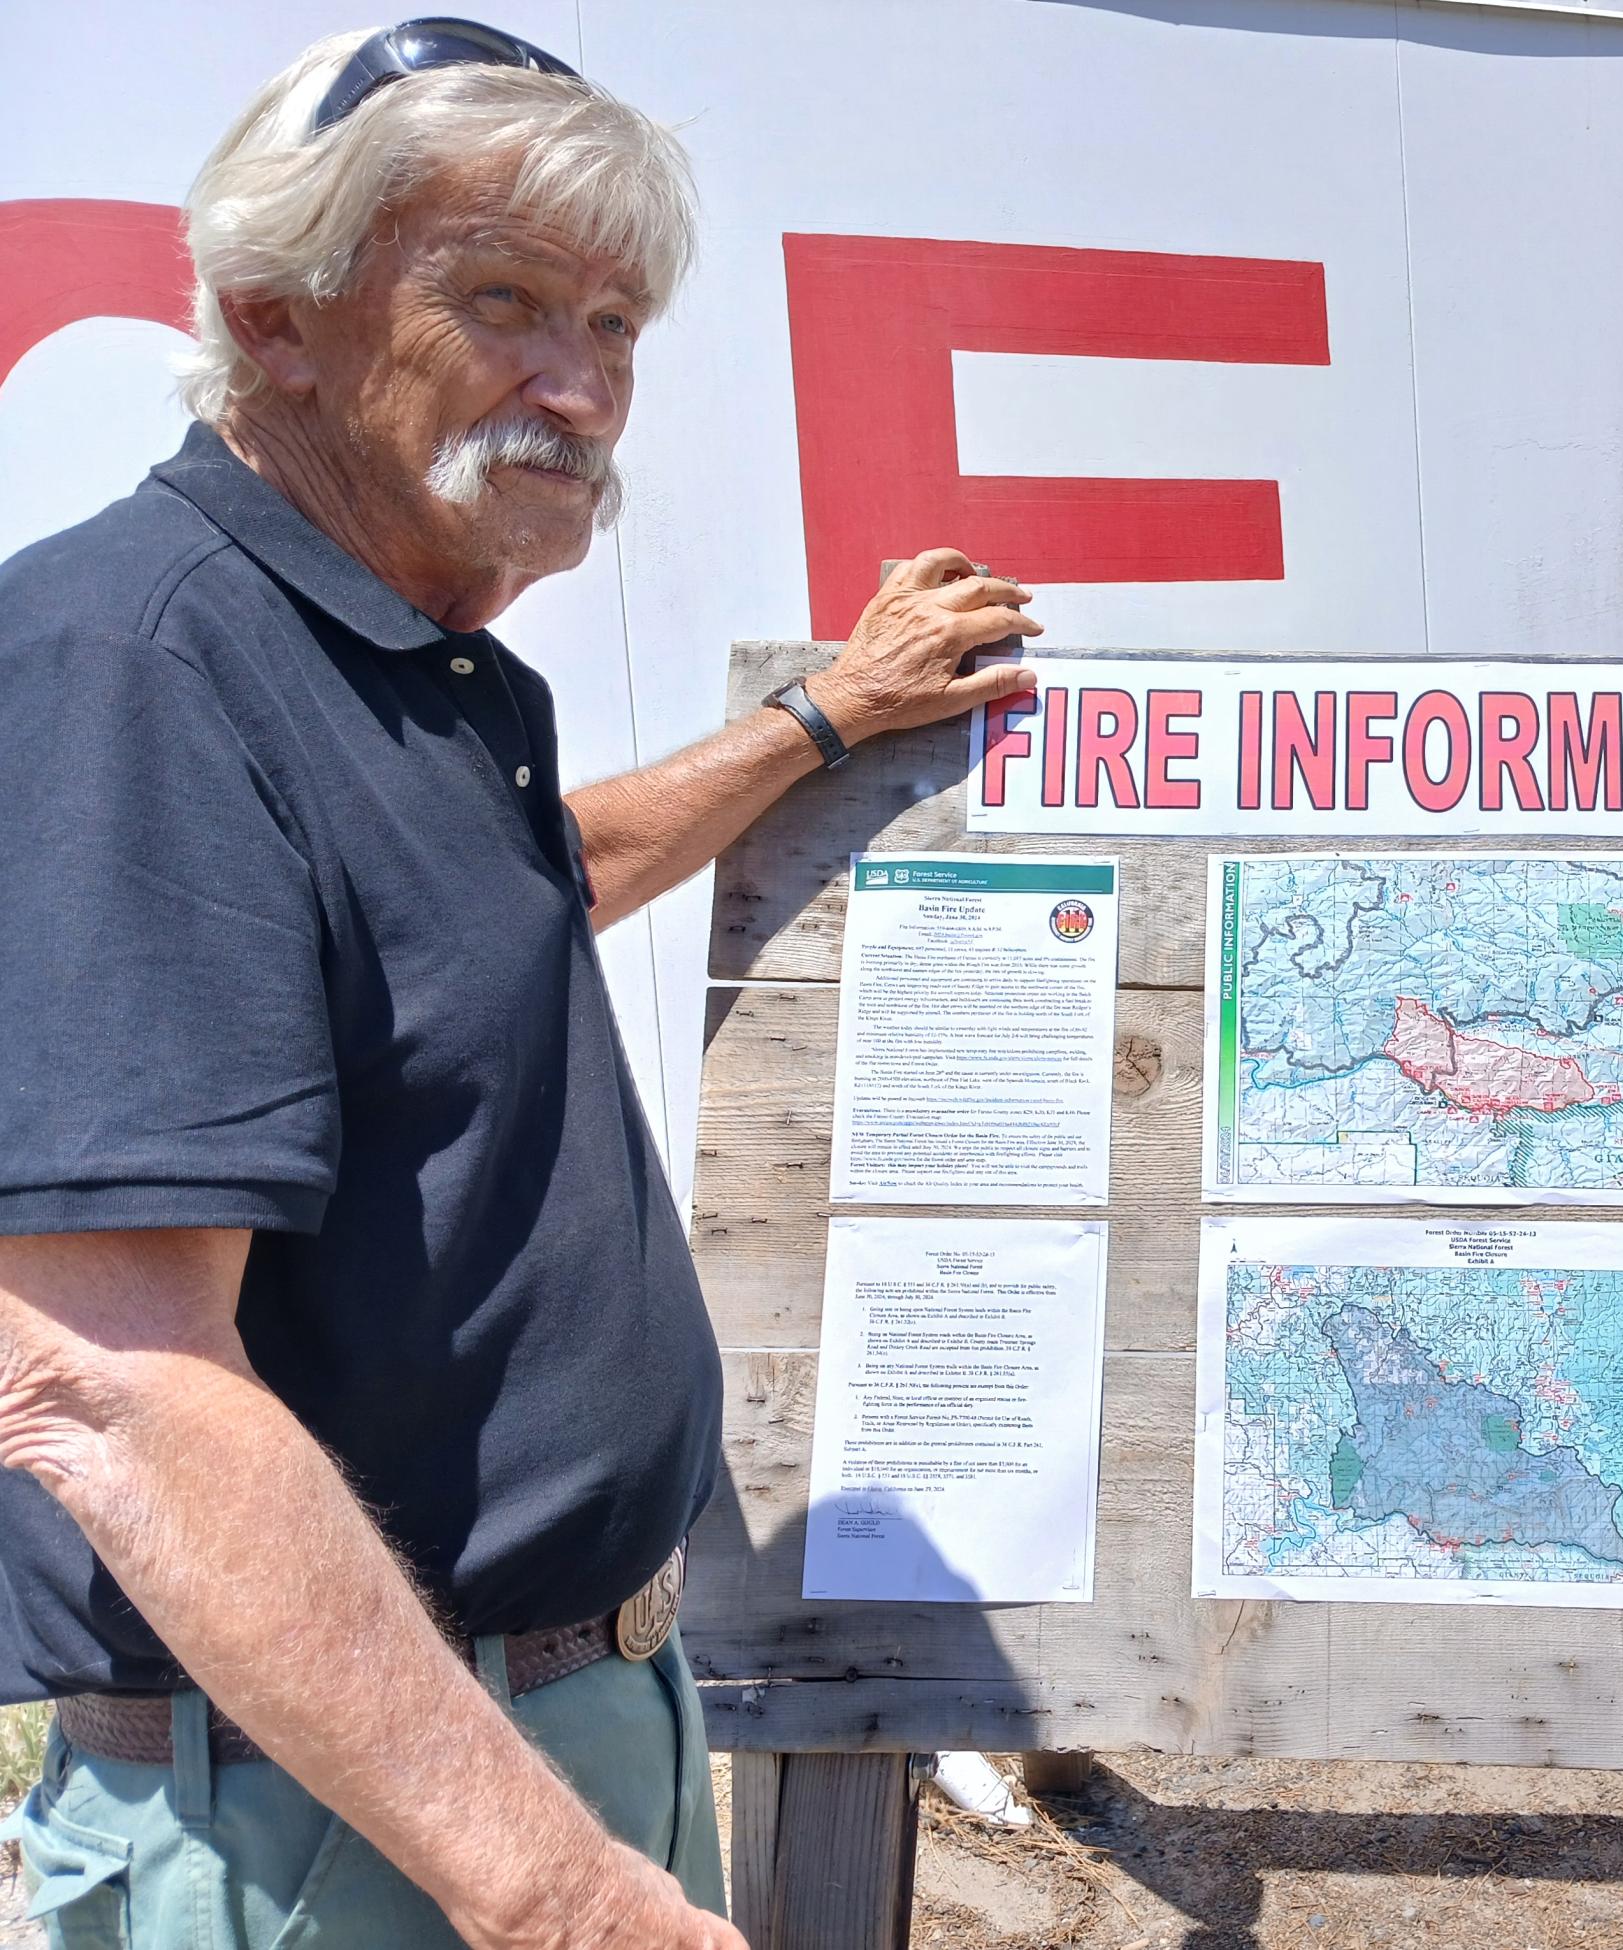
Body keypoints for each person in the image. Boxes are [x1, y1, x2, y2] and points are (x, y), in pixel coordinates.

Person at [0, 20, 1039, 1948]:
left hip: (566, 1723)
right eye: (503, 304)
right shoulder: (129, 663)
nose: (580, 386)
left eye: (618, 325)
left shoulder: (388, 661)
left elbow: (520, 896)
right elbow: (104, 1379)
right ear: (273, 318)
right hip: (344, 1811)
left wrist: (823, 720)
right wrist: (560, 1896)